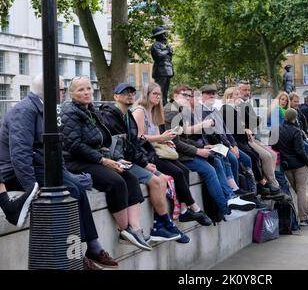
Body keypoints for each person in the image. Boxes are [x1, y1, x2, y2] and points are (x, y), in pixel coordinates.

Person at [0, 74, 118, 269]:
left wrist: (66, 173)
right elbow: (19, 155)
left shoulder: (45, 109)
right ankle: (80, 254)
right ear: (53, 91)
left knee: (76, 186)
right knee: (71, 188)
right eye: (62, 89)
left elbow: (54, 150)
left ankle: (91, 246)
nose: (64, 94)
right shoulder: (25, 111)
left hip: (38, 165)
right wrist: (31, 189)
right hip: (17, 171)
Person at [60, 76, 154, 252]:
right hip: (77, 161)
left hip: (95, 158)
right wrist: (103, 160)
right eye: (81, 90)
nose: (87, 92)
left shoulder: (91, 109)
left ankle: (136, 229)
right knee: (116, 182)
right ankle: (124, 229)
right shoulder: (69, 111)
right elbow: (74, 145)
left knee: (130, 178)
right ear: (71, 93)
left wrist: (115, 159)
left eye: (88, 88)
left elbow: (103, 141)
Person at [100, 82, 199, 244]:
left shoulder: (128, 116)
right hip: (120, 161)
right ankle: (160, 223)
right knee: (157, 180)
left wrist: (146, 160)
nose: (130, 95)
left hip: (133, 159)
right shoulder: (114, 115)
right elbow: (127, 144)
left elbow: (133, 145)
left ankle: (162, 223)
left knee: (164, 179)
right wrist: (145, 162)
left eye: (132, 92)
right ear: (115, 96)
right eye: (125, 93)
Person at [164, 84, 255, 222]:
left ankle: (231, 198)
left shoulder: (180, 110)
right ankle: (226, 209)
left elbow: (185, 138)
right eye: (184, 95)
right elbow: (176, 142)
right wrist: (198, 150)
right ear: (175, 95)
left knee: (218, 159)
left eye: (189, 95)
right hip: (178, 155)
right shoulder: (172, 111)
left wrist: (205, 147)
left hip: (189, 149)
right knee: (210, 169)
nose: (188, 98)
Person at [129, 82, 213, 226]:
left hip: (156, 150)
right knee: (177, 172)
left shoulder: (154, 111)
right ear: (146, 94)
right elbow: (138, 137)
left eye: (159, 94)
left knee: (184, 170)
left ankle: (184, 211)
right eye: (154, 94)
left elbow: (155, 137)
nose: (157, 97)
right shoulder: (139, 111)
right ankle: (195, 207)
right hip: (144, 154)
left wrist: (166, 140)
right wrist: (161, 138)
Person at [221, 87, 280, 199]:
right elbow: (234, 129)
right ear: (229, 97)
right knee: (253, 157)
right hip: (237, 141)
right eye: (236, 95)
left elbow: (243, 125)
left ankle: (264, 183)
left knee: (260, 155)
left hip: (242, 139)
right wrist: (244, 130)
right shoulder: (227, 109)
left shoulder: (235, 109)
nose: (239, 97)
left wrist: (245, 129)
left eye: (239, 94)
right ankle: (260, 185)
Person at [272, 108, 308, 226]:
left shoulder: (277, 129)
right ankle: (303, 218)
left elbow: (275, 147)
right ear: (295, 118)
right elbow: (300, 150)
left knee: (298, 190)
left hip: (286, 165)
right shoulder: (296, 131)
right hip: (299, 165)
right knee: (302, 189)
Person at [237, 81, 283, 195]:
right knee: (266, 156)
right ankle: (272, 184)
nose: (247, 92)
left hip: (251, 136)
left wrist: (255, 120)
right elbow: (253, 121)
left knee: (273, 154)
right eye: (244, 90)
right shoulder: (238, 105)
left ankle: (270, 182)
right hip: (243, 139)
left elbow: (254, 122)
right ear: (238, 91)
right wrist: (255, 120)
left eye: (248, 90)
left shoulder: (247, 104)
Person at [150, 26, 174, 105]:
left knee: (165, 90)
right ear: (159, 35)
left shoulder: (164, 45)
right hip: (160, 71)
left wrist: (169, 52)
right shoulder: (155, 45)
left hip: (167, 70)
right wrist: (167, 51)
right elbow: (159, 55)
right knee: (159, 90)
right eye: (163, 34)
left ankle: (164, 104)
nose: (165, 35)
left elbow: (168, 58)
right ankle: (158, 105)